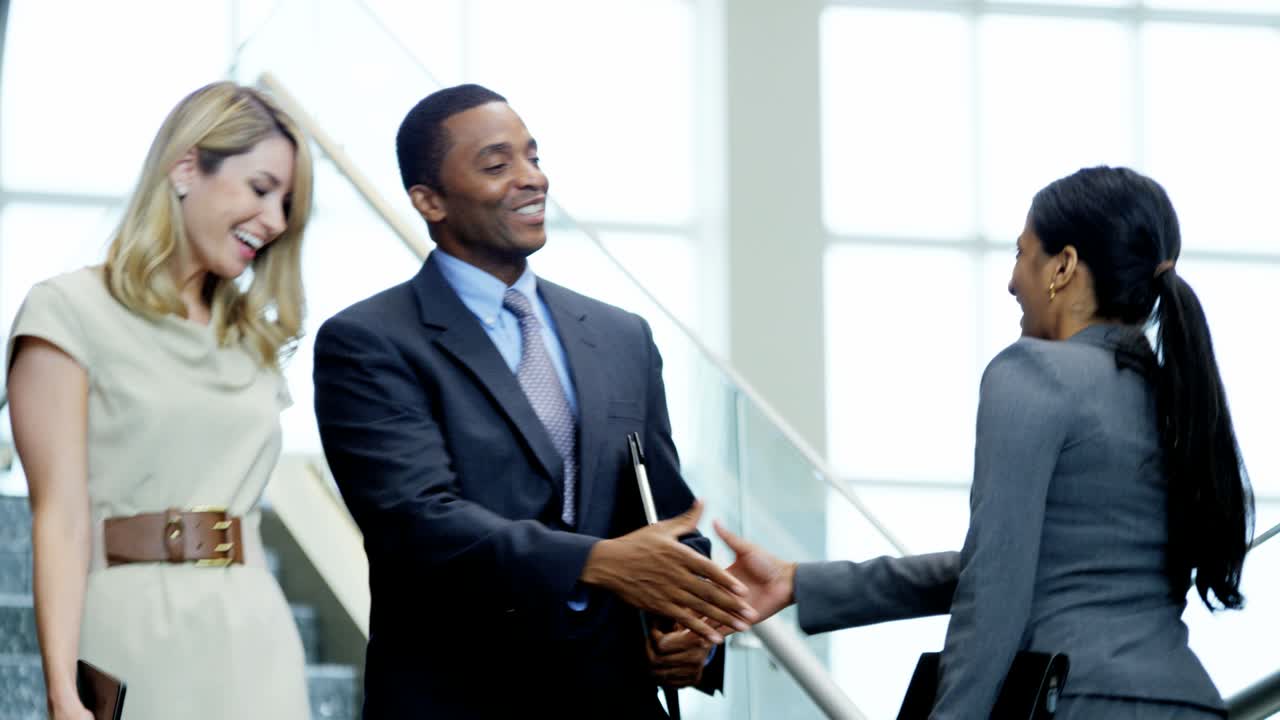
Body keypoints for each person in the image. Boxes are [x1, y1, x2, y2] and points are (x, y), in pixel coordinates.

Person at [713, 166, 1253, 719]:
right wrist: (802, 583)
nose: (1013, 281)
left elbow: (995, 588)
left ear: (1063, 267)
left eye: (1022, 254)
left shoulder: (1034, 372)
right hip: (1190, 702)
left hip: (1073, 700)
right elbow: (1022, 562)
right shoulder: (1177, 394)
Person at [311, 84, 755, 719]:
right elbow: (416, 523)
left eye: (534, 157)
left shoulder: (620, 335)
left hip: (617, 699)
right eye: (497, 165)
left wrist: (690, 637)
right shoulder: (369, 341)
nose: (532, 180)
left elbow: (665, 515)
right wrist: (597, 562)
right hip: (460, 698)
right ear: (428, 200)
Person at [6, 81, 314, 720]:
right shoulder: (67, 311)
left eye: (286, 203)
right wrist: (63, 692)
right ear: (185, 168)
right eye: (261, 189)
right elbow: (60, 519)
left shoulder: (251, 340)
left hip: (256, 636)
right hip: (130, 629)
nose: (277, 221)